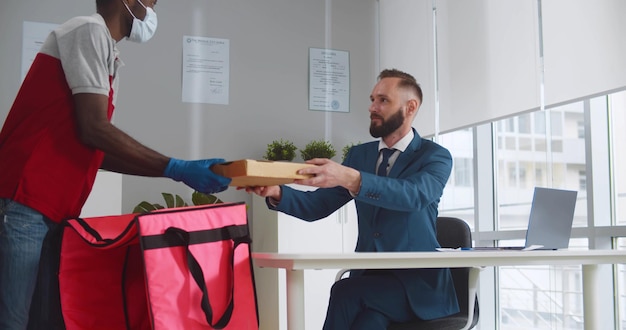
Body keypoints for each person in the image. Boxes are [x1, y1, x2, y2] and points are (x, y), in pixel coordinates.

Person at [0, 1, 231, 329]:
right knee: (13, 321)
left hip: (50, 208)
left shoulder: (106, 52)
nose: (152, 8)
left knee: (43, 320)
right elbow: (94, 129)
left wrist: (176, 171)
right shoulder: (88, 30)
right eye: (151, 1)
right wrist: (174, 167)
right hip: (27, 202)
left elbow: (95, 148)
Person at [245, 68, 458, 329]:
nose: (372, 107)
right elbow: (317, 205)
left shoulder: (435, 156)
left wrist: (352, 179)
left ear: (410, 107)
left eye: (383, 100)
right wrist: (276, 192)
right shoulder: (360, 156)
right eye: (372, 99)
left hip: (417, 288)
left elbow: (414, 196)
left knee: (346, 293)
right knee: (367, 321)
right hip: (371, 282)